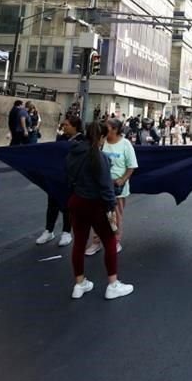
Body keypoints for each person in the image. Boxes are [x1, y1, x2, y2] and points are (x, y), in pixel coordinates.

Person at [66, 121, 133, 300]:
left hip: (77, 202)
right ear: (102, 137)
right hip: (98, 205)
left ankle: (79, 284)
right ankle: (112, 284)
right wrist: (111, 211)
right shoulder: (100, 157)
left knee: (79, 243)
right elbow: (106, 188)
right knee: (110, 241)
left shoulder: (73, 152)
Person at [86, 118, 137, 255]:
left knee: (114, 217)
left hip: (116, 188)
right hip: (100, 187)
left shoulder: (125, 144)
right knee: (97, 216)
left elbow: (132, 166)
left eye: (106, 127)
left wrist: (123, 179)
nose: (103, 129)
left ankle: (115, 241)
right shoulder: (101, 142)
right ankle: (96, 242)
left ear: (115, 129)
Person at [36, 116, 81, 247]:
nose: (64, 127)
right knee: (52, 205)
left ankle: (66, 232)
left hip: (71, 179)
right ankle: (48, 230)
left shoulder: (81, 140)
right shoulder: (61, 139)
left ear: (74, 126)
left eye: (66, 125)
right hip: (56, 177)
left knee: (67, 206)